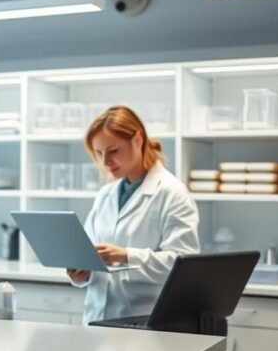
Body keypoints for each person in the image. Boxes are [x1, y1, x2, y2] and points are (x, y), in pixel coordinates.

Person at [67, 106, 200, 325]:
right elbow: (91, 253)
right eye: (99, 153)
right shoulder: (105, 194)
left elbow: (183, 264)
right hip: (97, 319)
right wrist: (82, 273)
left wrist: (126, 255)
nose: (105, 161)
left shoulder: (171, 192)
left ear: (138, 139)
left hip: (145, 320)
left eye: (113, 151)